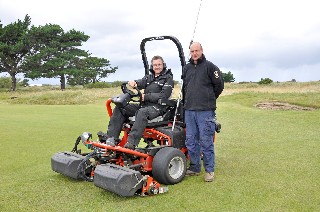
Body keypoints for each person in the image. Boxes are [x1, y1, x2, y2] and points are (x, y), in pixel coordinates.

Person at [103, 55, 174, 149]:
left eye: (159, 64)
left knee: (142, 112)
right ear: (152, 66)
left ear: (163, 65)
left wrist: (146, 97)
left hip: (158, 107)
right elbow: (141, 82)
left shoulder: (168, 78)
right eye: (155, 65)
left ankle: (131, 143)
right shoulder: (150, 77)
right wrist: (134, 83)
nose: (157, 67)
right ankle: (111, 139)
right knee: (121, 108)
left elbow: (164, 95)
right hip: (144, 105)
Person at [182, 42, 224, 182]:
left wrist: (209, 99)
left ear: (202, 50)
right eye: (192, 51)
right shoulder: (186, 68)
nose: (194, 53)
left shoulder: (210, 67)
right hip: (189, 111)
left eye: (197, 50)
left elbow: (219, 86)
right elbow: (185, 88)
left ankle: (209, 170)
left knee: (206, 141)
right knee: (191, 141)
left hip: (205, 111)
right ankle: (194, 167)